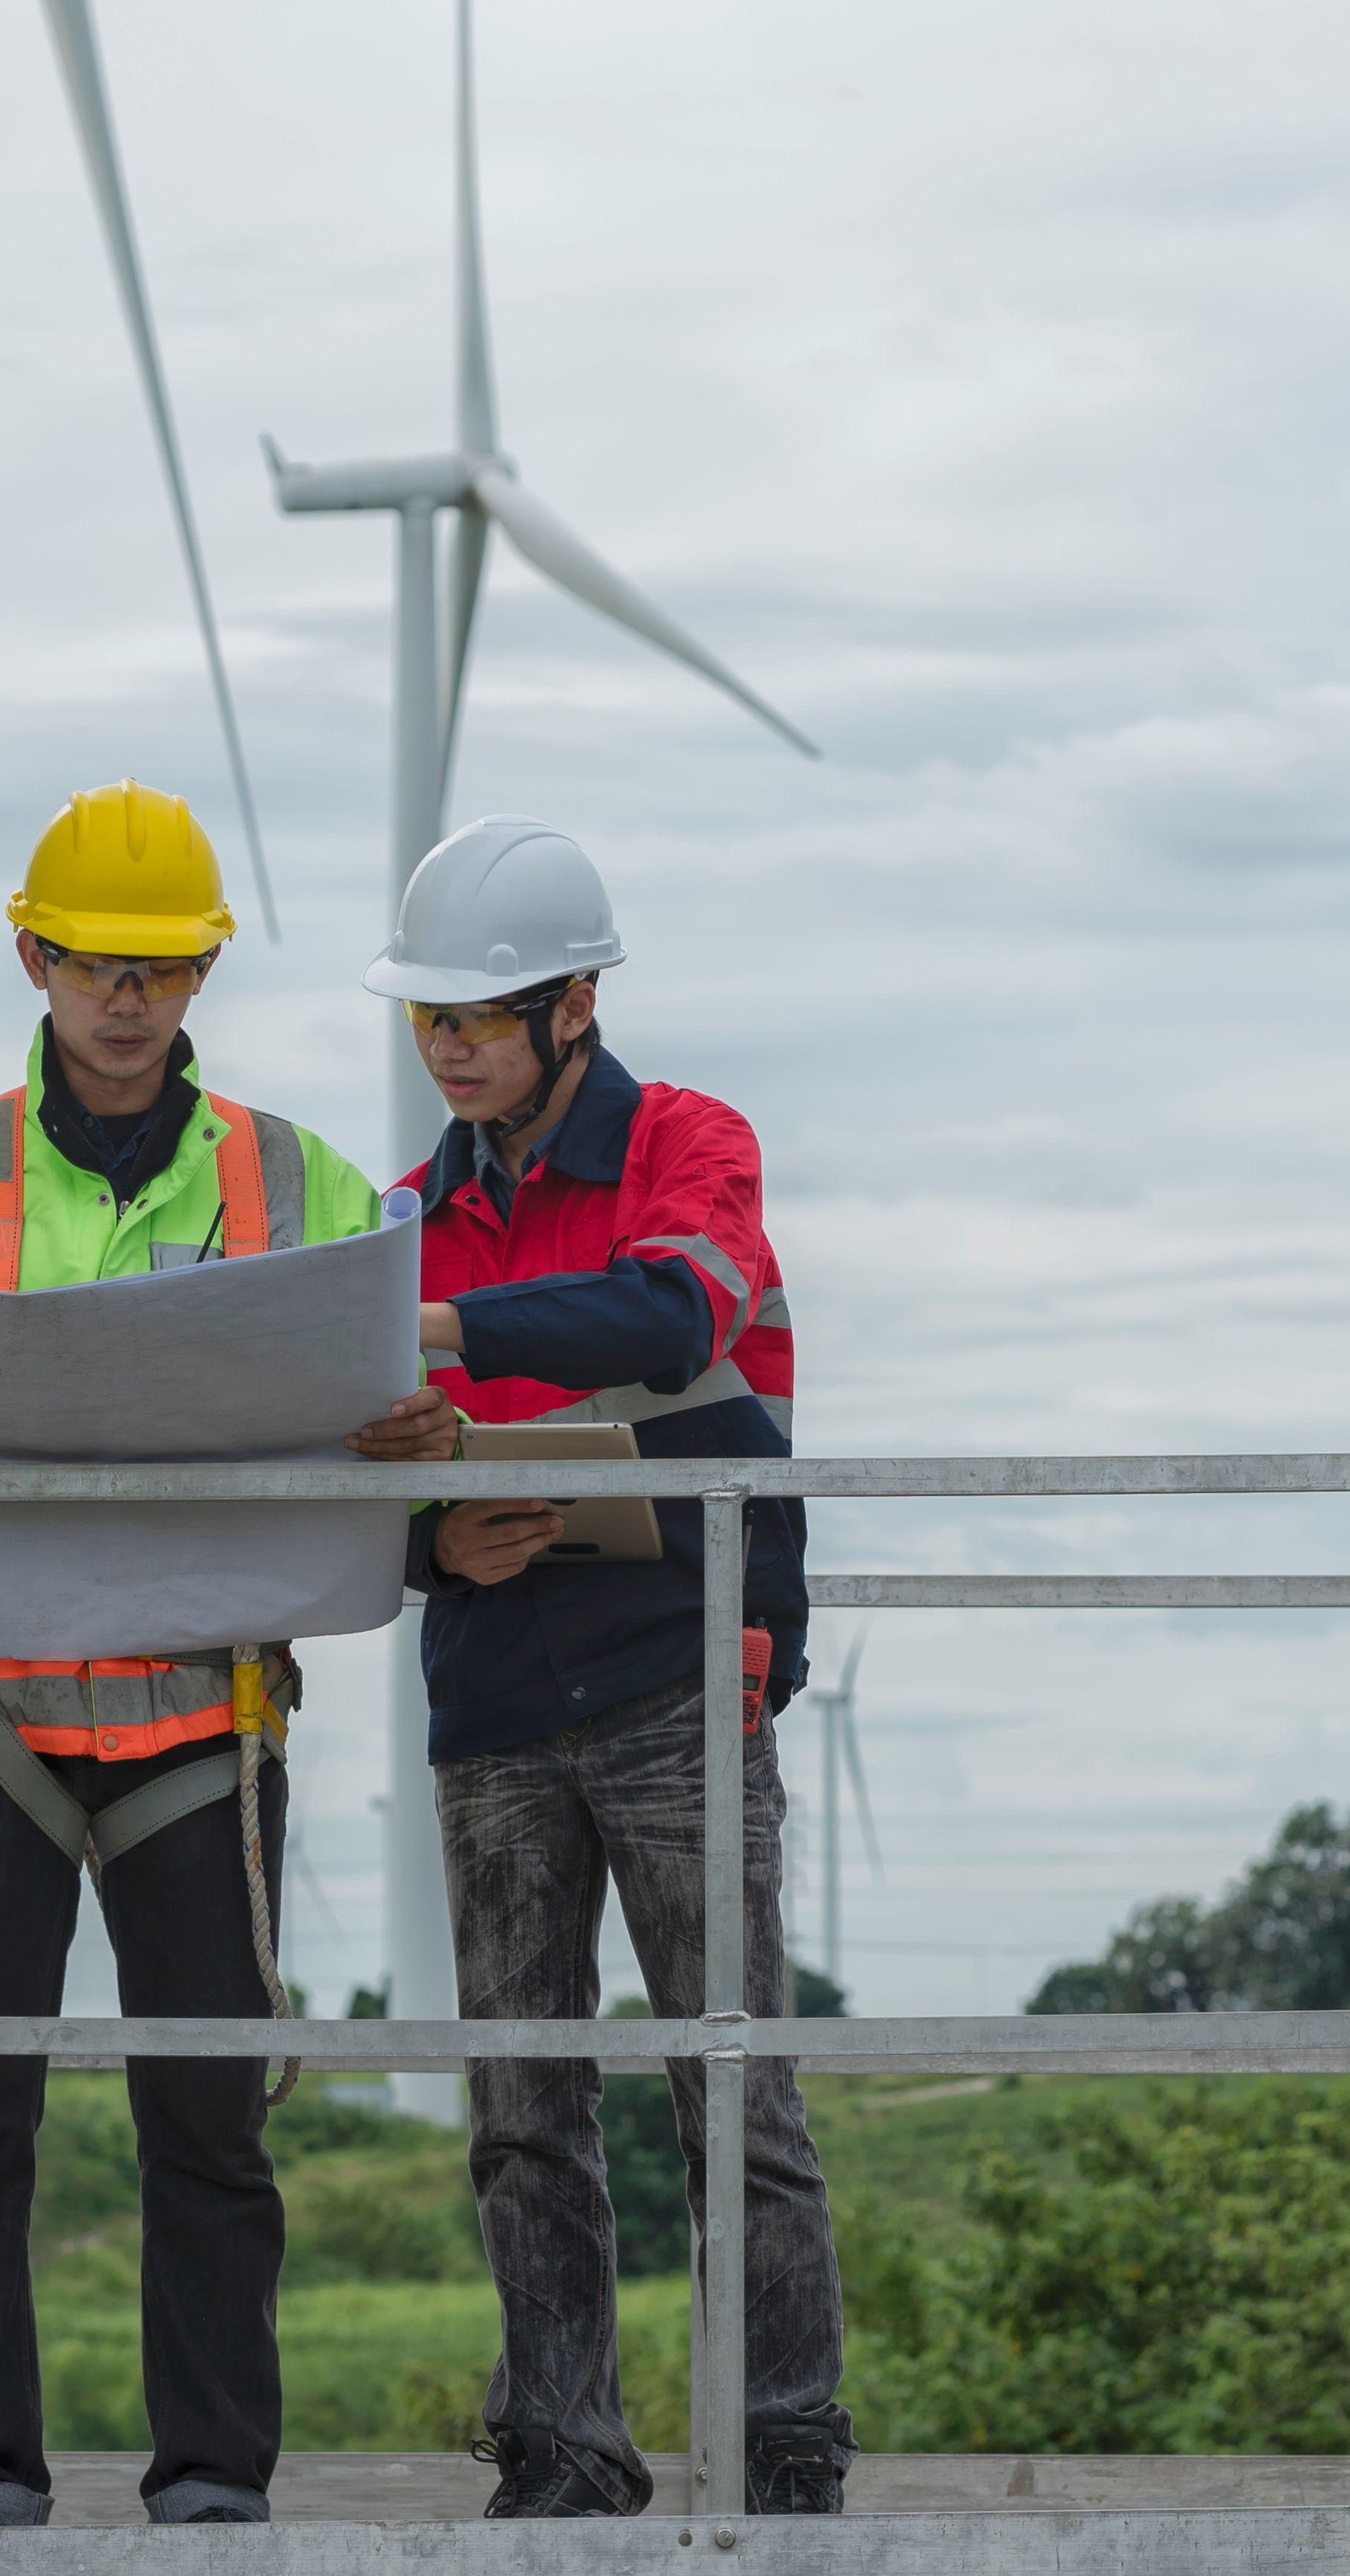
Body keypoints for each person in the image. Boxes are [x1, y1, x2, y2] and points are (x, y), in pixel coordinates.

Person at [0, 779, 419, 2530]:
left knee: (211, 2123)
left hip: (208, 1704)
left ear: (200, 973)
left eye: (163, 967)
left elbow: (385, 1387)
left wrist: (422, 1429)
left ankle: (214, 2485)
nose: (128, 999)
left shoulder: (303, 1181)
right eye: (96, 963)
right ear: (33, 955)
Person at [342, 814, 850, 2517]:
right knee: (520, 2103)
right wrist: (430, 1539)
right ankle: (561, 2444)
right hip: (494, 1697)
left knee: (737, 2082)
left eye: (483, 1015)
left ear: (577, 1008)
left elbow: (676, 1315)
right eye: (433, 1020)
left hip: (681, 1673)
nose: (452, 1044)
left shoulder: (690, 1146)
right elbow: (341, 1462)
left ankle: (784, 2443)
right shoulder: (398, 1212)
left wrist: (444, 1329)